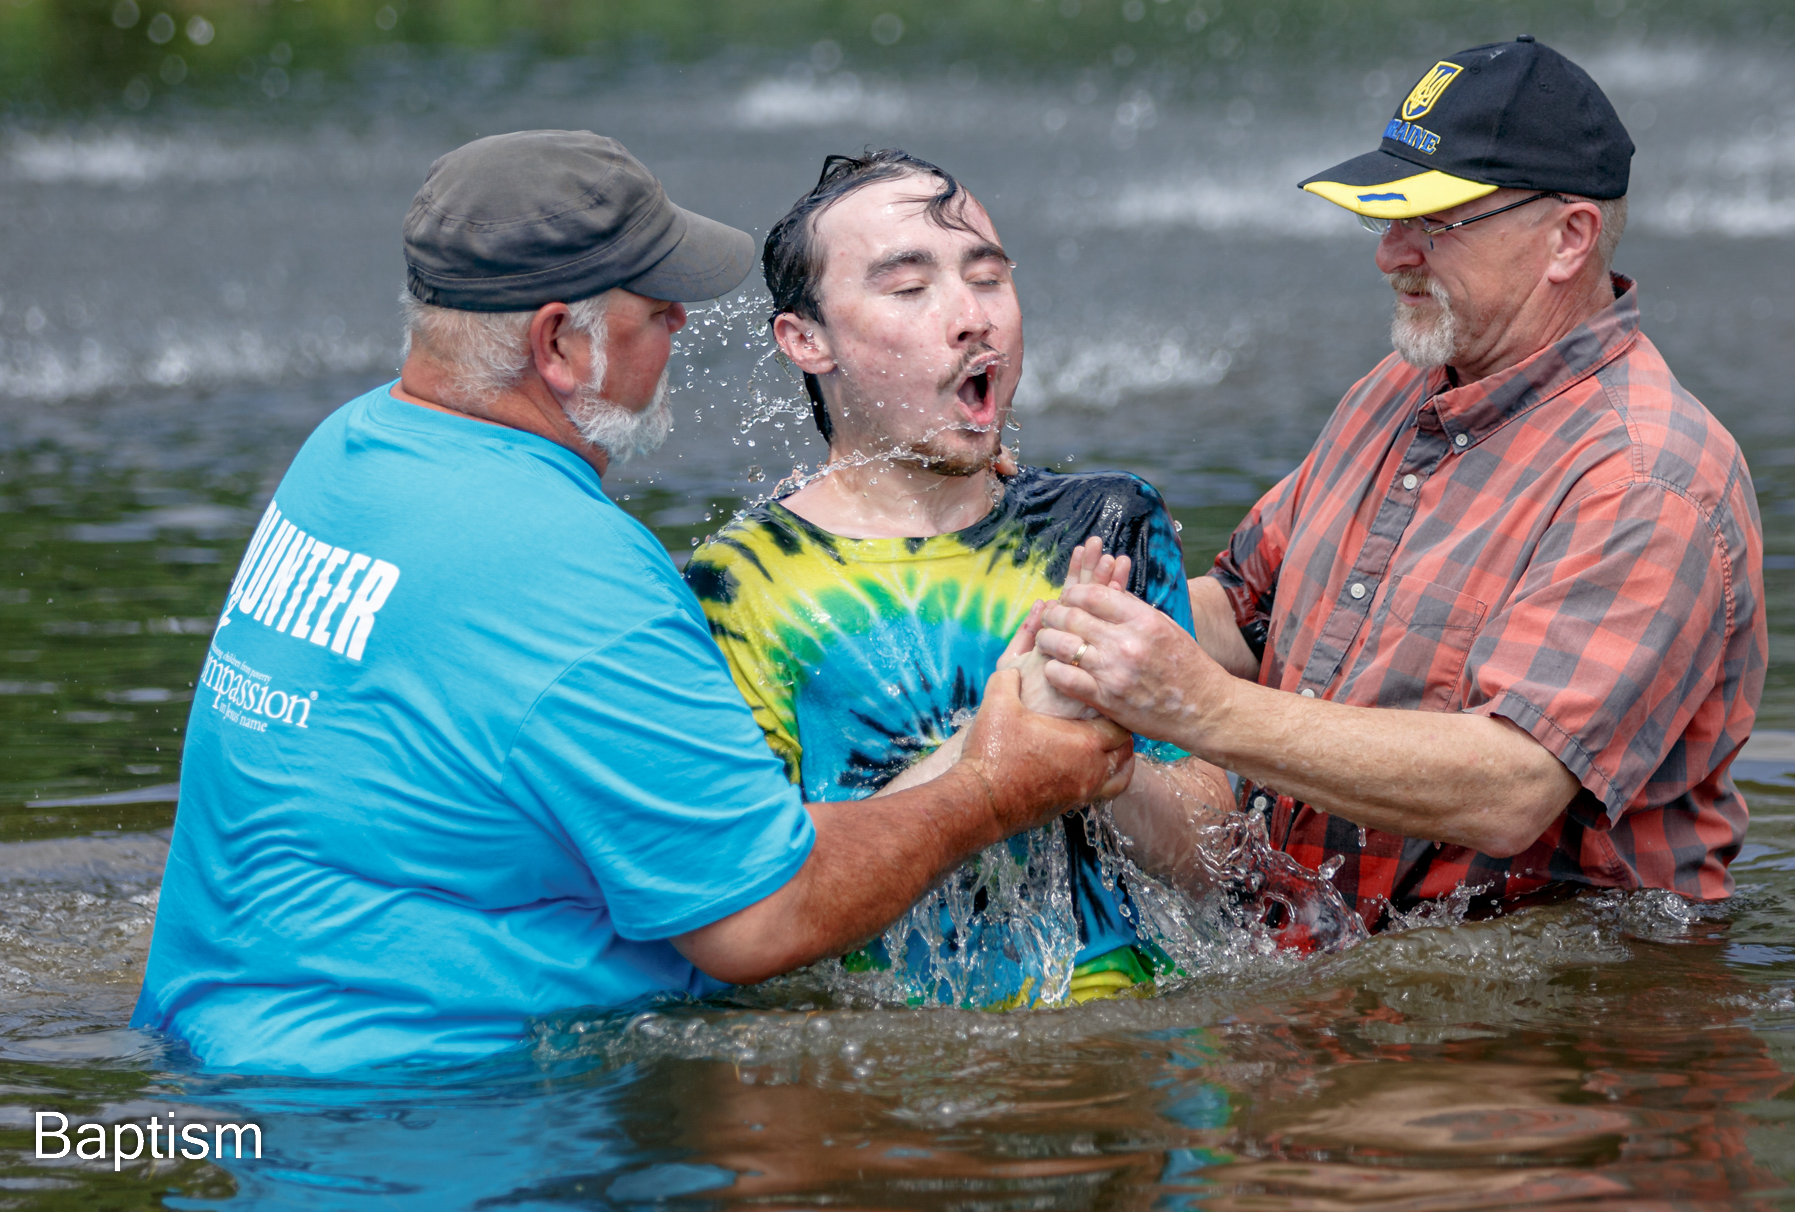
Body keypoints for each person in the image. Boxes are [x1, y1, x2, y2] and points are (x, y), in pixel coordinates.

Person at [134, 130, 1131, 1075]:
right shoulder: (563, 567)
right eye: (653, 304)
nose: (681, 322)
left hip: (225, 1053)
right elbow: (760, 919)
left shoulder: (349, 454)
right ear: (560, 344)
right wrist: (1001, 784)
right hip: (428, 1107)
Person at [1031, 39, 1765, 931]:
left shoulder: (1649, 477)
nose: (1390, 254)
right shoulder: (1400, 387)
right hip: (1335, 956)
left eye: (1433, 222)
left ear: (1567, 238)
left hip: (1555, 1020)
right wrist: (1053, 610)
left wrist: (1194, 704)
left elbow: (1512, 786)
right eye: (1383, 218)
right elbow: (1237, 612)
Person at [686, 150, 1234, 1008]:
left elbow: (1215, 865)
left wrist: (1105, 755)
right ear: (807, 339)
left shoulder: (1107, 526)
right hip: (900, 1088)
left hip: (1144, 1050)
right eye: (909, 290)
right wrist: (1006, 741)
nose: (971, 317)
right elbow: (759, 911)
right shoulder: (745, 582)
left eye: (988, 278)